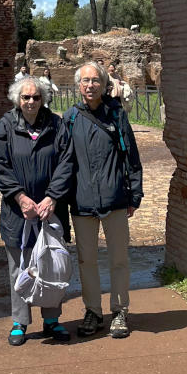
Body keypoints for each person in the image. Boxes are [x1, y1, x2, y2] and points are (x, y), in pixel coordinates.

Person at [0, 76, 73, 346]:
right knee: (21, 266)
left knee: (50, 265)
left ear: (43, 99)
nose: (30, 102)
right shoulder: (6, 125)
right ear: (17, 99)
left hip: (50, 209)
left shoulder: (56, 125)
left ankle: (51, 319)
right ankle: (20, 321)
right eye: (25, 97)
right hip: (18, 212)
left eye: (36, 97)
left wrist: (52, 197)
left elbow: (66, 163)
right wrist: (19, 197)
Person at [63, 62, 143, 339]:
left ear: (104, 83)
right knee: (87, 260)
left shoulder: (116, 115)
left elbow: (131, 156)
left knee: (119, 258)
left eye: (95, 80)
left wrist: (135, 193)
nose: (90, 85)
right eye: (85, 80)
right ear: (78, 85)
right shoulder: (70, 118)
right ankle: (93, 311)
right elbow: (64, 162)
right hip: (82, 200)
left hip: (115, 198)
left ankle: (119, 310)